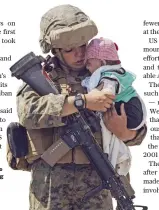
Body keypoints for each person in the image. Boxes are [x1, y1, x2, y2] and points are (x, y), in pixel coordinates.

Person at [15, 4, 147, 210]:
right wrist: (82, 101)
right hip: (51, 186)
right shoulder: (43, 77)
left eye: (83, 47)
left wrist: (126, 133)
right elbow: (28, 112)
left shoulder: (104, 77)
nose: (79, 54)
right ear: (55, 50)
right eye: (69, 49)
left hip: (97, 181)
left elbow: (136, 119)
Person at [81, 37, 147, 176]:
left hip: (129, 113)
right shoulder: (108, 74)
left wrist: (124, 132)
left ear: (102, 62)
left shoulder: (110, 76)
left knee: (112, 142)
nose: (86, 66)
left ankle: (119, 160)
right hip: (127, 112)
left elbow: (107, 91)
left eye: (89, 62)